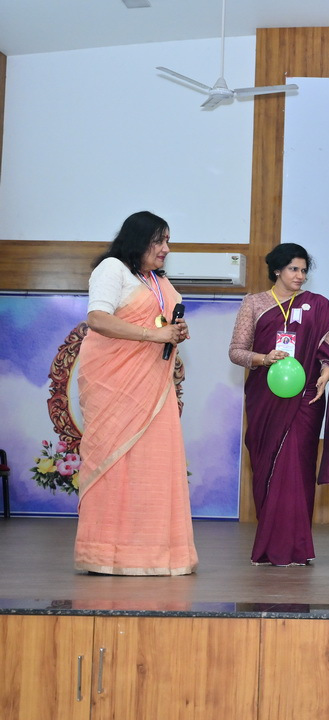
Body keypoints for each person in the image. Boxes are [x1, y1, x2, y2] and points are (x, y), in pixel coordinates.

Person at [229, 243, 329, 567]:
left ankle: (296, 547)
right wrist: (264, 358)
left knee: (297, 466)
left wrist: (327, 373)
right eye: (293, 269)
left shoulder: (317, 305)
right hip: (265, 398)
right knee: (267, 467)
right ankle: (269, 546)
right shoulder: (254, 303)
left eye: (303, 270)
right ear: (277, 270)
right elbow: (236, 351)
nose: (300, 276)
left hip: (307, 397)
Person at [75, 211, 198, 575]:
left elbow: (160, 323)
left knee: (155, 467)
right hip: (115, 385)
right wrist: (152, 334)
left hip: (154, 387)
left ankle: (156, 555)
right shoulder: (112, 269)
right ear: (138, 240)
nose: (166, 249)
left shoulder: (157, 279)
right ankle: (106, 554)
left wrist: (174, 330)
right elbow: (97, 318)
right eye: (159, 241)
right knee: (116, 464)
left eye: (167, 241)